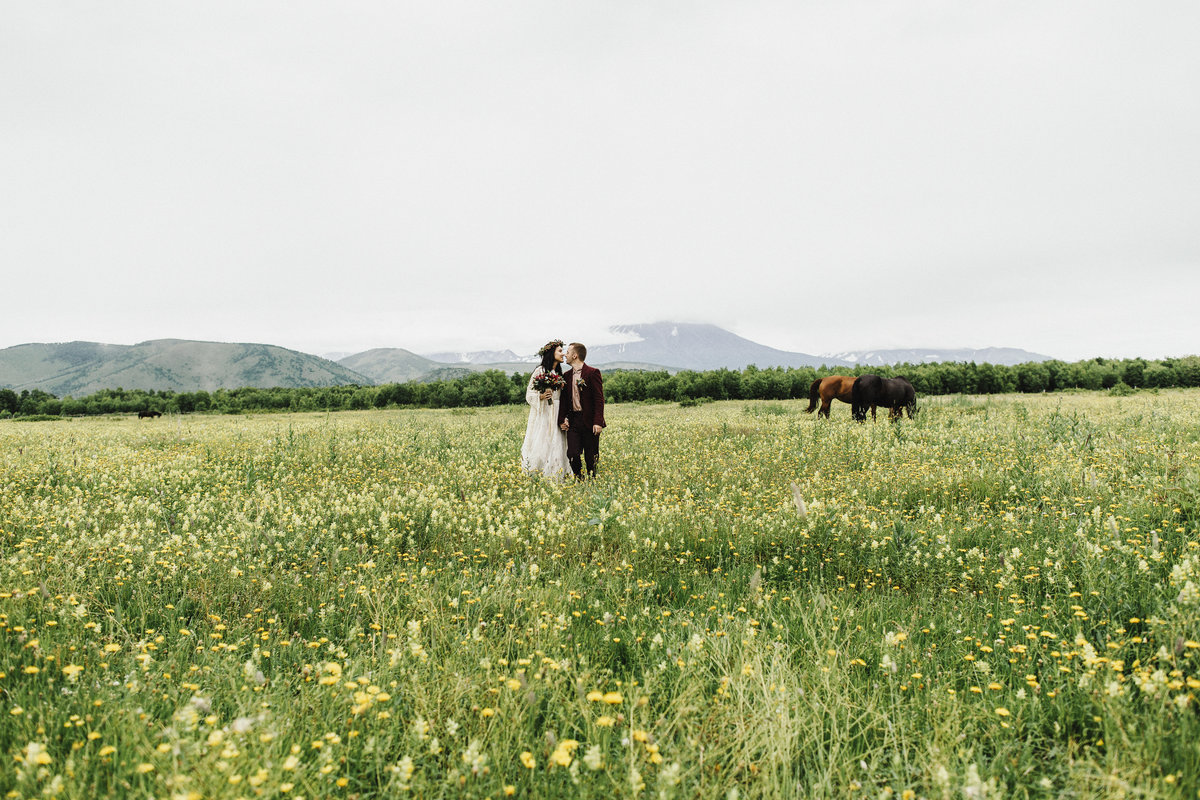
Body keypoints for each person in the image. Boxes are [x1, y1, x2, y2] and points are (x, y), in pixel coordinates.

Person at [520, 339, 572, 480]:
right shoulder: (540, 371)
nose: (563, 354)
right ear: (551, 353)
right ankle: (539, 471)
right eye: (560, 351)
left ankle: (557, 470)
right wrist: (541, 396)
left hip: (557, 411)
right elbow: (529, 393)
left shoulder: (560, 373)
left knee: (558, 440)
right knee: (543, 439)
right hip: (544, 412)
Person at [556, 342, 606, 479]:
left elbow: (599, 399)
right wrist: (562, 419)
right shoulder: (566, 376)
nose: (565, 354)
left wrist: (598, 422)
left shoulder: (592, 373)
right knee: (572, 453)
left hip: (590, 421)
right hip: (574, 422)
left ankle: (592, 480)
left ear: (575, 355)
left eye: (568, 352)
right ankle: (579, 478)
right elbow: (564, 401)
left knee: (591, 456)